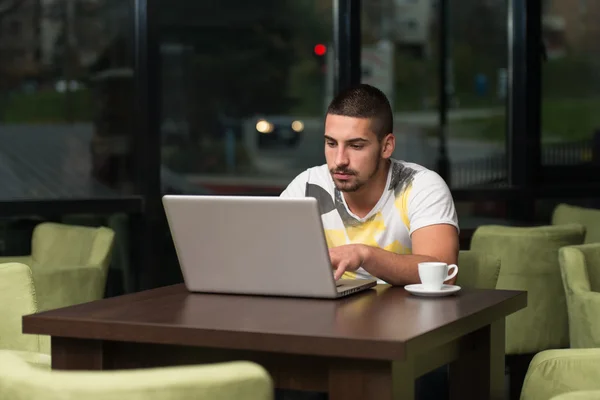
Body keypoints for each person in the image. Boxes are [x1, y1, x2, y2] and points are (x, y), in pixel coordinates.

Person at [280, 83, 459, 287]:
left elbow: (444, 272)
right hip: (327, 313)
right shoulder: (309, 185)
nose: (339, 160)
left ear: (386, 146)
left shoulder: (420, 186)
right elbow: (268, 254)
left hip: (404, 315)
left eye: (355, 146)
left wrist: (365, 255)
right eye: (331, 143)